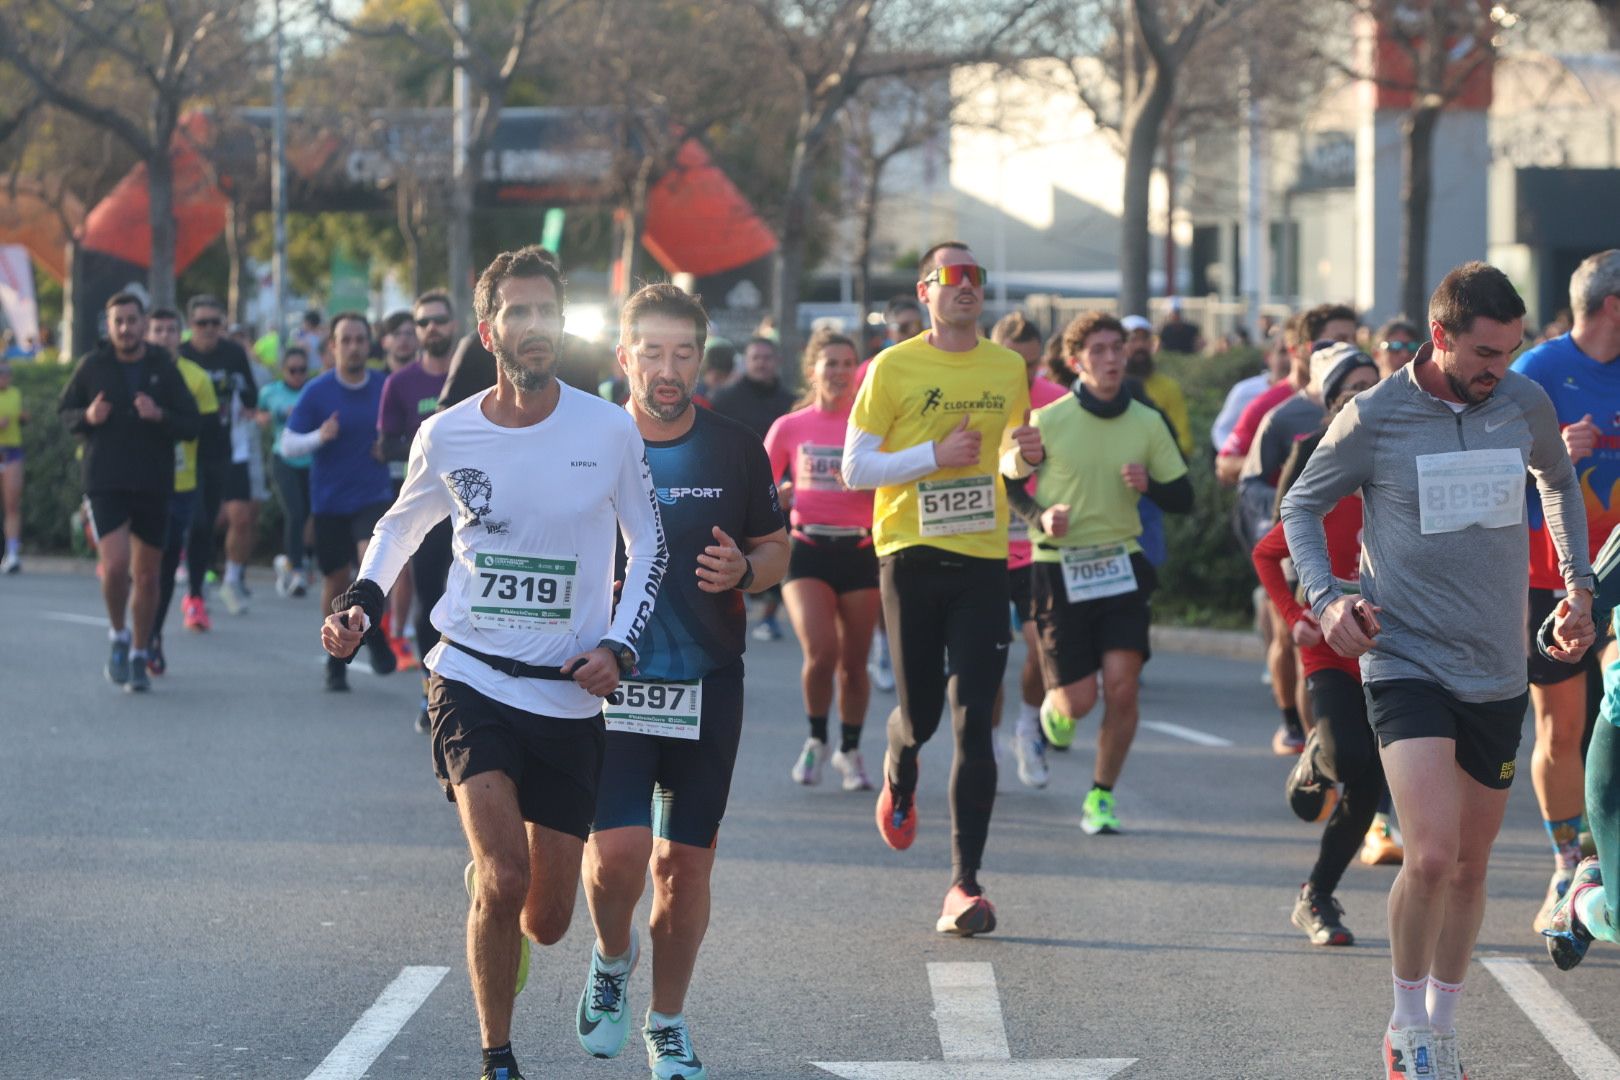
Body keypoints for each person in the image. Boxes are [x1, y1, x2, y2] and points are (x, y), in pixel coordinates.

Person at [322, 246, 667, 1080]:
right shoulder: (449, 432)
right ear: (491, 330)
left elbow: (647, 540)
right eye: (518, 311)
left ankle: (496, 885)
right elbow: (402, 524)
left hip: (569, 696)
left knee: (546, 919)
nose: (535, 325)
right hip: (470, 675)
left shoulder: (608, 429)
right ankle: (497, 1056)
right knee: (505, 879)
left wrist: (620, 645)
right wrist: (362, 601)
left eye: (547, 310)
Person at [1280, 262, 1596, 1080]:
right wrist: (1328, 598)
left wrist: (1576, 584)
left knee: (1470, 866)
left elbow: (1556, 478)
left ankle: (1445, 1026)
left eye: (1512, 350)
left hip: (1494, 661)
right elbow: (1300, 507)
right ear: (1441, 338)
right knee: (1427, 855)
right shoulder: (1376, 416)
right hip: (1405, 655)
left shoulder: (1521, 401)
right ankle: (1404, 1020)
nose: (1502, 369)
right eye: (1487, 353)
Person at [576, 283, 787, 1080]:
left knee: (683, 867)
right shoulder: (590, 439)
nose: (668, 370)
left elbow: (776, 547)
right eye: (652, 353)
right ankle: (609, 957)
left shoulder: (735, 445)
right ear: (624, 356)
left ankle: (668, 1023)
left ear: (702, 356)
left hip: (707, 679)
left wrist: (748, 570)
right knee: (619, 857)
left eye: (684, 353)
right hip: (610, 680)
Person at [841, 241, 1041, 935]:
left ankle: (965, 886)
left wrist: (1023, 454)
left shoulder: (1007, 364)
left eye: (976, 277)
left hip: (983, 556)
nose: (967, 287)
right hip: (911, 552)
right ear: (925, 290)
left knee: (974, 718)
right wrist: (935, 456)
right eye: (952, 277)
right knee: (923, 716)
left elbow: (1009, 454)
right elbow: (854, 467)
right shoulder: (892, 366)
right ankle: (900, 759)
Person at [1016, 312, 1191, 834]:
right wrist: (1038, 517)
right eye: (1098, 350)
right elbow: (1008, 485)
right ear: (1075, 362)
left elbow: (1184, 496)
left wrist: (1149, 486)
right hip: (1058, 566)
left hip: (1120, 563)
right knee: (1079, 699)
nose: (1112, 358)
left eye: (1117, 347)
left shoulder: (1146, 420)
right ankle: (1057, 712)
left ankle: (1101, 795)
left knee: (1122, 687)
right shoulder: (1047, 420)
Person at [1252, 348, 1385, 946]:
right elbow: (1266, 553)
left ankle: (1317, 897)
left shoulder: (1400, 476)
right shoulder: (1324, 482)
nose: (1365, 396)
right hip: (1331, 648)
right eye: (1352, 389)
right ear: (1333, 407)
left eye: (1373, 386)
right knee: (1347, 757)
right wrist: (1292, 615)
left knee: (1370, 785)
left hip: (1396, 649)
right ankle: (1317, 757)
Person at [1510, 249, 1620, 933]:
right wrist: (1551, 455)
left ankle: (1602, 863)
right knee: (1564, 727)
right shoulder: (1536, 373)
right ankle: (1564, 867)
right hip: (1551, 579)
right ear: (1614, 306)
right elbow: (1481, 477)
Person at [57, 293, 200, 691]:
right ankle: (118, 635)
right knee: (117, 565)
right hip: (105, 480)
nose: (125, 328)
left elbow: (192, 423)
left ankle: (139, 651)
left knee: (149, 575)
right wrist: (86, 416)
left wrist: (160, 416)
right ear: (109, 325)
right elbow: (65, 412)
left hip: (153, 481)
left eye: (131, 320)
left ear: (142, 323)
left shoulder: (162, 367)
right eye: (118, 321)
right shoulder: (93, 366)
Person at [765, 329, 879, 791]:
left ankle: (850, 750)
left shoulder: (873, 426)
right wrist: (779, 496)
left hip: (860, 549)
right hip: (807, 549)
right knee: (821, 652)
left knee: (854, 664)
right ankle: (816, 739)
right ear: (812, 370)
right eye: (829, 363)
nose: (838, 372)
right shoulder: (791, 427)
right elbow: (755, 493)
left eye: (846, 363)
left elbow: (896, 480)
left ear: (857, 372)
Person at [281, 312, 400, 691]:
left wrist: (389, 449)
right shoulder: (317, 391)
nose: (352, 347)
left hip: (373, 496)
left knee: (371, 567)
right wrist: (320, 436)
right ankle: (338, 659)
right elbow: (287, 444)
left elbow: (410, 435)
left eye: (359, 340)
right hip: (330, 500)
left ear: (370, 345)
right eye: (345, 340)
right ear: (332, 346)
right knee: (336, 580)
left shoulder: (385, 386)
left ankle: (374, 632)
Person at [990, 311, 1067, 788]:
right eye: (1016, 363)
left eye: (1035, 365)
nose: (1026, 375)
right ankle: (991, 738)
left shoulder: (1058, 403)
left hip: (1038, 546)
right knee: (989, 655)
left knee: (1043, 648)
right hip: (982, 546)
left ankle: (1027, 726)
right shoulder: (975, 397)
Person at [379, 290, 459, 731]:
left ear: (454, 323)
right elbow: (385, 444)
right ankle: (432, 691)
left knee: (470, 599)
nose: (432, 329)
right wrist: (424, 445)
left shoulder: (473, 374)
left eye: (439, 320)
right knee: (430, 601)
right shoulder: (400, 384)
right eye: (424, 321)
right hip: (429, 513)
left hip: (474, 511)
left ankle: (474, 690)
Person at [144, 308, 220, 676]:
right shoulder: (135, 374)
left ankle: (152, 634)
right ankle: (136, 636)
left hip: (182, 484)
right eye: (157, 330)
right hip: (139, 484)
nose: (164, 336)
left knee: (164, 567)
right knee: (140, 569)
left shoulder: (196, 377)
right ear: (148, 332)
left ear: (180, 335)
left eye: (171, 330)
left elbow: (202, 432)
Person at [709, 336, 796, 643]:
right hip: (729, 486)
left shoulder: (791, 401)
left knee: (774, 547)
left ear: (778, 362)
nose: (761, 363)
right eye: (755, 357)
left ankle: (770, 616)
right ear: (745, 361)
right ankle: (733, 606)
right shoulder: (724, 398)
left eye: (767, 358)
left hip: (780, 490)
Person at [179, 294, 260, 620]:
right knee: (199, 522)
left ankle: (229, 579)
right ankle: (195, 593)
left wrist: (244, 393)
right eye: (202, 323)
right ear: (190, 326)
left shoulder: (233, 354)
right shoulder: (181, 355)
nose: (210, 329)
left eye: (216, 323)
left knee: (231, 519)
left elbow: (252, 396)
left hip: (227, 447)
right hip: (187, 451)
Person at [260, 346, 314, 599]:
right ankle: (297, 569)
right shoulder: (271, 392)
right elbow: (257, 413)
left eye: (302, 370)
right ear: (284, 370)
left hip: (311, 461)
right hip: (282, 459)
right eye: (292, 370)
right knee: (294, 512)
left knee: (309, 515)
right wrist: (270, 417)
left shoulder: (313, 391)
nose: (297, 375)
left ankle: (290, 560)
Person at [0, 358, 28, 574]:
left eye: (8, 371)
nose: (5, 376)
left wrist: (22, 418)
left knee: (12, 504)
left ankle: (12, 554)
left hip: (11, 451)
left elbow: (22, 417)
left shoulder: (16, 393)